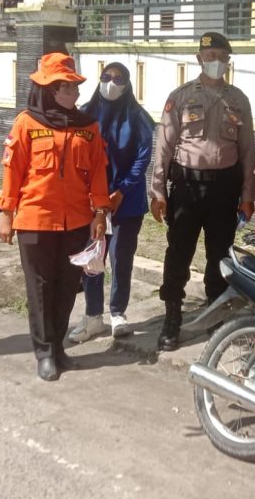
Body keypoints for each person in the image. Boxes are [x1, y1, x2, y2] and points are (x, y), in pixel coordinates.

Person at [0, 53, 109, 381]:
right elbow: (12, 171)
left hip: (76, 221)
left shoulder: (88, 127)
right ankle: (44, 352)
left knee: (67, 287)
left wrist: (100, 213)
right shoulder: (26, 123)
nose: (74, 93)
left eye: (75, 87)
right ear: (48, 90)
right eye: (66, 87)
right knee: (40, 290)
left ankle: (59, 348)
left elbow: (98, 174)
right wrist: (6, 213)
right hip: (34, 221)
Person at [150, 32, 255, 351]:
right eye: (210, 56)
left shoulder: (239, 99)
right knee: (178, 252)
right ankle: (172, 316)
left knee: (219, 254)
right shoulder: (180, 97)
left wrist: (248, 195)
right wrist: (158, 191)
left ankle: (215, 313)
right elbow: (164, 146)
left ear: (228, 61)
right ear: (199, 59)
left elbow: (248, 151)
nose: (216, 62)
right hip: (187, 187)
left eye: (221, 57)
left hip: (225, 188)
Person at [68, 62, 155, 342]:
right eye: (106, 77)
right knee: (93, 259)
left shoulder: (138, 117)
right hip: (91, 203)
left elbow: (142, 158)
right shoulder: (84, 114)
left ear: (127, 84)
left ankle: (118, 313)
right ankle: (93, 317)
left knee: (121, 257)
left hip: (126, 202)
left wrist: (121, 192)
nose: (111, 83)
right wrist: (95, 197)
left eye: (118, 79)